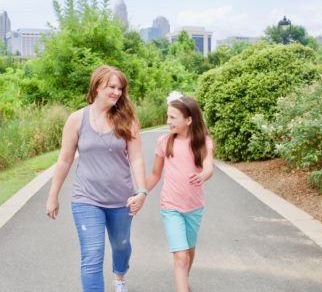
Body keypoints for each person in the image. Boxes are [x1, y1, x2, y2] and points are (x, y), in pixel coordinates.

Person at [46, 65, 147, 292]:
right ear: (97, 86)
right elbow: (64, 160)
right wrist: (53, 195)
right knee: (92, 255)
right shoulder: (76, 119)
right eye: (111, 86)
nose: (117, 92)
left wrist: (142, 191)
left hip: (122, 199)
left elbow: (137, 158)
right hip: (86, 198)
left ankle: (119, 278)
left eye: (120, 88)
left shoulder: (127, 119)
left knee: (121, 246)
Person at [143, 91, 214, 292]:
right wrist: (140, 192)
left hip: (194, 206)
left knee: (189, 251)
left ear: (189, 120)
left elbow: (208, 167)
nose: (168, 121)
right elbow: (155, 174)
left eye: (173, 117)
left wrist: (203, 175)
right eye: (168, 116)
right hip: (170, 206)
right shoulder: (164, 142)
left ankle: (184, 281)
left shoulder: (204, 142)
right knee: (180, 255)